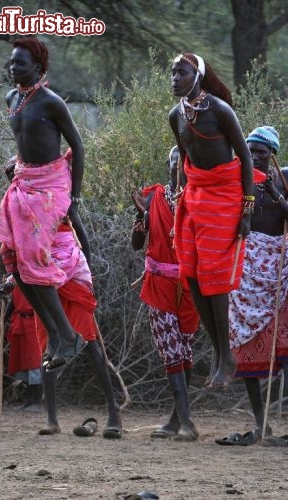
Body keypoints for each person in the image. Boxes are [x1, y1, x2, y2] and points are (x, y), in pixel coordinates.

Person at [0, 37, 87, 372]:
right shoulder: (12, 98)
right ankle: (57, 333)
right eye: (12, 62)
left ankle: (68, 334)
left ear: (39, 68)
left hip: (51, 186)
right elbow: (27, 142)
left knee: (33, 257)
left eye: (20, 63)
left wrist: (74, 198)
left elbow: (77, 144)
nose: (13, 67)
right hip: (25, 182)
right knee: (14, 261)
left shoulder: (51, 101)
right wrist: (17, 162)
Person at [169, 52, 255, 388]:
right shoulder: (175, 115)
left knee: (214, 277)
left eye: (182, 73)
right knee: (190, 273)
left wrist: (247, 209)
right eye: (173, 73)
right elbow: (183, 158)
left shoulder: (220, 110)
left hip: (225, 197)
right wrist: (178, 194)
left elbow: (245, 158)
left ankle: (227, 357)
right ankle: (221, 353)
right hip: (195, 197)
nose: (175, 79)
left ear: (198, 76)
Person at [131, 146, 200, 440]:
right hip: (158, 283)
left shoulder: (199, 199)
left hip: (190, 287)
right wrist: (140, 217)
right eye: (172, 160)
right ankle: (186, 422)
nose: (176, 166)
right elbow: (136, 243)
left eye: (182, 162)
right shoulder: (152, 197)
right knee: (171, 351)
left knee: (184, 353)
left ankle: (176, 420)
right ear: (167, 163)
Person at [35, 218, 122, 439]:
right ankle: (51, 419)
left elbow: (83, 241)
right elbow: (21, 247)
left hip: (74, 277)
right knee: (49, 346)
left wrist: (85, 275)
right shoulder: (25, 202)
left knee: (90, 344)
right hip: (44, 278)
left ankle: (114, 412)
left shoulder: (64, 201)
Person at [228, 125, 288, 440]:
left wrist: (277, 196)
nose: (254, 156)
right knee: (245, 348)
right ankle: (260, 422)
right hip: (246, 273)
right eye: (249, 151)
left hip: (280, 273)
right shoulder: (239, 180)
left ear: (273, 154)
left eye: (261, 152)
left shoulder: (284, 177)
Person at [1, 278, 43, 412]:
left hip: (35, 322)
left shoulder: (36, 275)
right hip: (20, 322)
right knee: (24, 362)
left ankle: (37, 401)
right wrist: (2, 321)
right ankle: (29, 401)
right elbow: (13, 301)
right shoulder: (13, 279)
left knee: (35, 362)